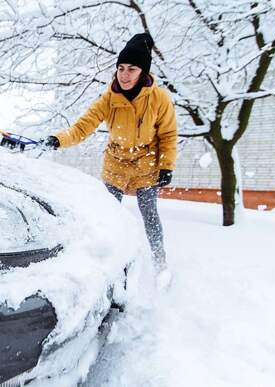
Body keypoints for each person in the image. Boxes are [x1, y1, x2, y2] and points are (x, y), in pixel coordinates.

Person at [43, 33, 177, 287]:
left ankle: (161, 264)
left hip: (146, 167)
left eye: (132, 69)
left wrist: (166, 165)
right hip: (115, 167)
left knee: (150, 216)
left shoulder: (159, 99)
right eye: (121, 68)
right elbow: (82, 127)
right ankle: (108, 269)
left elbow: (168, 135)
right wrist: (57, 140)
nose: (124, 75)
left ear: (143, 72)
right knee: (106, 218)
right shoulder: (109, 99)